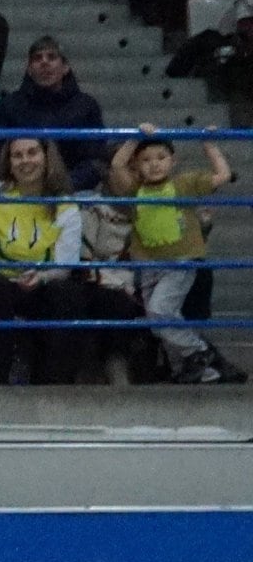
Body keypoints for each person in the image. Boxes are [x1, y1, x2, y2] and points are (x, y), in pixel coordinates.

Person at [0, 132, 137, 385]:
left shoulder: (65, 206)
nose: (25, 161)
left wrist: (41, 276)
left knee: (68, 295)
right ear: (9, 162)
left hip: (37, 283)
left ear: (47, 158)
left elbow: (64, 265)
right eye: (17, 155)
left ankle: (53, 385)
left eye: (32, 153)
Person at [120, 132, 237, 383]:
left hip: (180, 262)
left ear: (173, 161)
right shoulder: (134, 191)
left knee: (161, 311)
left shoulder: (184, 183)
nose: (154, 164)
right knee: (158, 322)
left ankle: (200, 352)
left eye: (161, 157)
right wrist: (134, 136)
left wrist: (209, 143)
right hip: (150, 266)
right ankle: (207, 372)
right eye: (146, 159)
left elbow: (223, 175)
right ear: (137, 166)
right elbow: (117, 165)